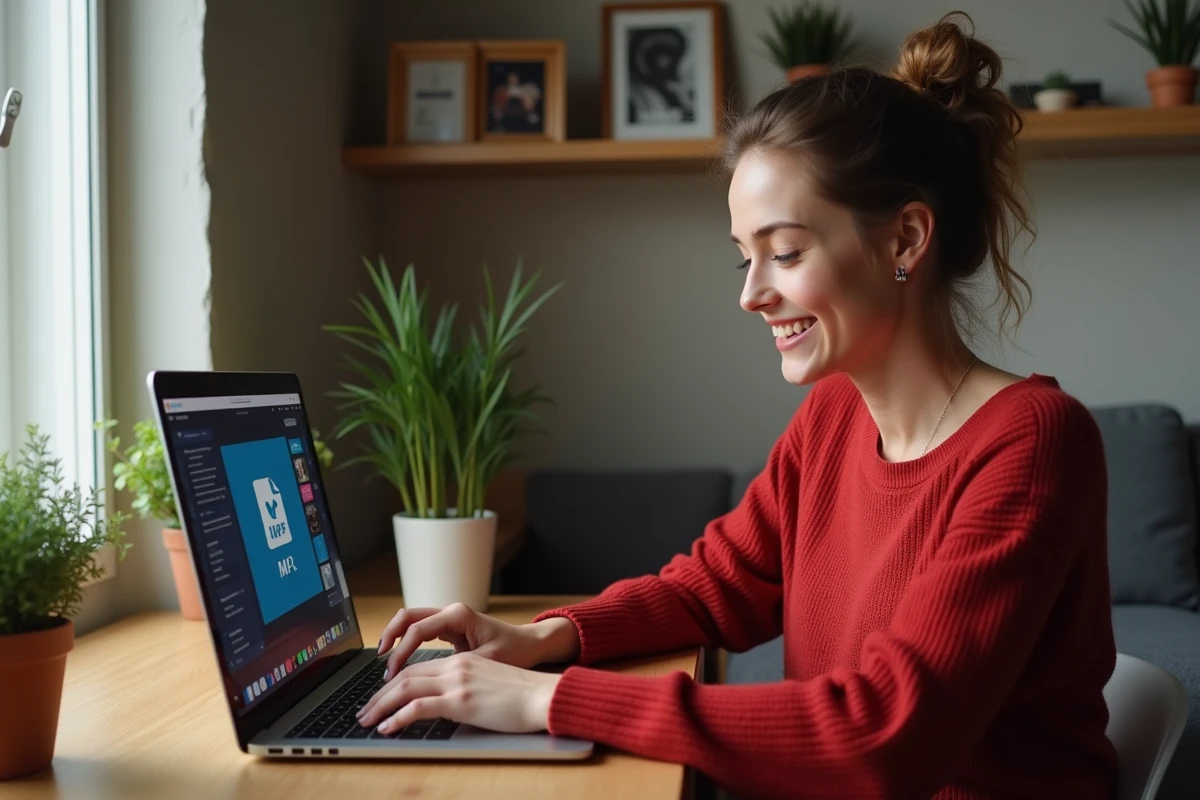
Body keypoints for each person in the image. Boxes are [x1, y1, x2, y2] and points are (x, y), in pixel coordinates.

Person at [355, 13, 1118, 799]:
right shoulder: (833, 416)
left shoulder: (1032, 443)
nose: (751, 294)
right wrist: (548, 636)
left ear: (905, 240)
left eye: (785, 253)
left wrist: (550, 699)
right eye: (745, 256)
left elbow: (885, 735)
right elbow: (719, 584)